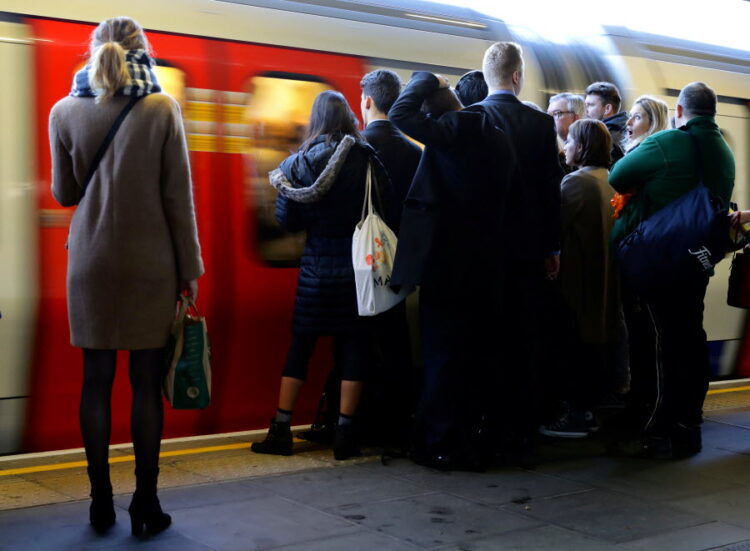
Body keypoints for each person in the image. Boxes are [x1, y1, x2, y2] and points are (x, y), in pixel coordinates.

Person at [49, 16, 203, 536]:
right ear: (143, 51)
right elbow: (177, 201)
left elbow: (65, 194)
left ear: (94, 53)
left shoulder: (63, 110)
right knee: (143, 385)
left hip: (89, 265)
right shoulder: (162, 108)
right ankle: (145, 505)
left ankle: (98, 504)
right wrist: (191, 270)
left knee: (96, 383)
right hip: (150, 266)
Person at [251, 90, 390, 461]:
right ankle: (345, 435)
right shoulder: (366, 159)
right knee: (354, 351)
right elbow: (386, 204)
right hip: (355, 274)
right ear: (347, 117)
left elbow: (286, 219)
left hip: (314, 272)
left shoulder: (297, 164)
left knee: (300, 350)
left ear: (315, 121)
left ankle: (280, 429)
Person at [389, 71, 517, 470]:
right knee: (476, 355)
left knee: (442, 355)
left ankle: (441, 443)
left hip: (449, 264)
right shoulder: (496, 135)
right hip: (488, 261)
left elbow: (399, 113)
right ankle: (471, 438)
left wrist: (427, 80)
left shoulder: (452, 131)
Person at [609, 82, 735, 459]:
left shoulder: (668, 143)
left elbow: (618, 175)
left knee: (660, 343)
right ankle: (687, 421)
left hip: (659, 260)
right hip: (696, 260)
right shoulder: (724, 151)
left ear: (679, 110)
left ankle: (660, 427)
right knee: (689, 339)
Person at [467, 41, 563, 452]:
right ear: (517, 76)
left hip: (480, 257)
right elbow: (549, 193)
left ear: (488, 77)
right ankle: (521, 431)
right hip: (526, 253)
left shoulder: (468, 120)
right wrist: (552, 249)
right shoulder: (540, 125)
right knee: (524, 341)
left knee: (484, 340)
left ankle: (485, 425)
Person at [538, 119, 625, 437]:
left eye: (572, 141)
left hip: (578, 279)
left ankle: (577, 414)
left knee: (573, 348)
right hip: (605, 276)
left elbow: (553, 227)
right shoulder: (610, 180)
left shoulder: (576, 183)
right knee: (595, 347)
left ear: (584, 146)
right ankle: (591, 409)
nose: (566, 147)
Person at [358, 69, 422, 448]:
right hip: (399, 265)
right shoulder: (416, 151)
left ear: (367, 100)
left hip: (362, 265)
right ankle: (397, 426)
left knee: (363, 343)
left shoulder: (356, 148)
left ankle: (365, 422)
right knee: (397, 343)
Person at [584, 81, 627, 162]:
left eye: (590, 105)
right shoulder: (624, 127)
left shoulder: (606, 137)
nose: (586, 110)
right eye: (586, 105)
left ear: (607, 109)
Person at [547, 92, 585, 174]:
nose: (548, 119)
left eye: (556, 113)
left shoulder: (587, 148)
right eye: (548, 114)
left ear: (575, 118)